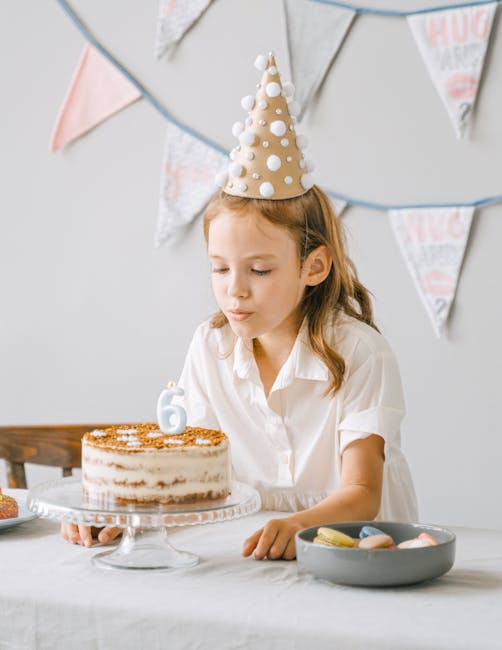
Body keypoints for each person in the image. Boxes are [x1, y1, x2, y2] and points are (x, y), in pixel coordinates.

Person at [61, 53, 417, 557]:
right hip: (252, 554)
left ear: (314, 267)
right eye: (220, 268)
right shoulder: (211, 348)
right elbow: (186, 474)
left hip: (360, 555)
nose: (236, 290)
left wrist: (296, 524)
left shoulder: (360, 353)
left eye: (260, 270)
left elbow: (362, 492)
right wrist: (120, 516)